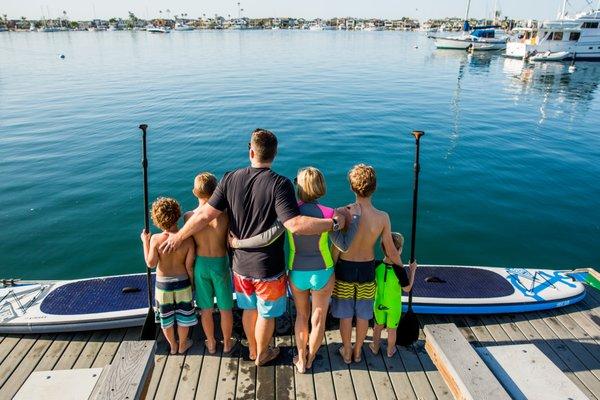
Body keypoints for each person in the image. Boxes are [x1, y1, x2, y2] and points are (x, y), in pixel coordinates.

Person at [160, 129, 347, 366]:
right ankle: (262, 354)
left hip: (239, 265)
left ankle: (252, 351)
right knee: (266, 313)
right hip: (267, 268)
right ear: (275, 154)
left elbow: (205, 215)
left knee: (250, 310)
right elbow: (296, 225)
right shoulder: (280, 184)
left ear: (251, 151)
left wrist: (178, 237)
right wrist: (333, 223)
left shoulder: (229, 178)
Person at [232, 167, 361, 373]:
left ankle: (300, 360)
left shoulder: (288, 214)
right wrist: (354, 220)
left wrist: (239, 243)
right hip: (323, 272)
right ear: (321, 187)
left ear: (298, 188)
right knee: (317, 318)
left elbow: (267, 235)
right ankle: (310, 359)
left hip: (297, 272)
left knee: (302, 316)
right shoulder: (330, 213)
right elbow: (344, 245)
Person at [331, 164, 416, 364]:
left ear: (352, 187)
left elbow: (336, 247)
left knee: (345, 315)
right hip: (367, 269)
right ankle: (359, 351)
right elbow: (391, 250)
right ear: (375, 188)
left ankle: (347, 351)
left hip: (344, 268)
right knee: (362, 315)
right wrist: (403, 271)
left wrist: (331, 271)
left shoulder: (343, 212)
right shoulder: (382, 217)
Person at [184, 172, 234, 354]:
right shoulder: (224, 215)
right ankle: (227, 343)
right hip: (220, 263)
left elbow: (188, 243)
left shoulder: (189, 216)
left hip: (201, 266)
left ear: (194, 193)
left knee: (205, 309)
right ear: (216, 191)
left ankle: (211, 343)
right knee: (225, 308)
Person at [141, 197, 197, 355]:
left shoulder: (155, 239)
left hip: (163, 287)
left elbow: (150, 263)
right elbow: (189, 267)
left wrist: (145, 242)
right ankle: (183, 344)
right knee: (184, 317)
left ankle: (173, 346)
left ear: (157, 221)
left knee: (166, 320)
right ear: (178, 215)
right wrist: (192, 284)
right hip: (183, 283)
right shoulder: (187, 240)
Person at [369, 232, 417, 357]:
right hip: (394, 306)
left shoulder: (376, 265)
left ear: (382, 248)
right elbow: (407, 288)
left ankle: (375, 347)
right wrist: (412, 271)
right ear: (399, 250)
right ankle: (390, 350)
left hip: (378, 302)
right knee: (392, 330)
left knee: (377, 327)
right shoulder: (399, 270)